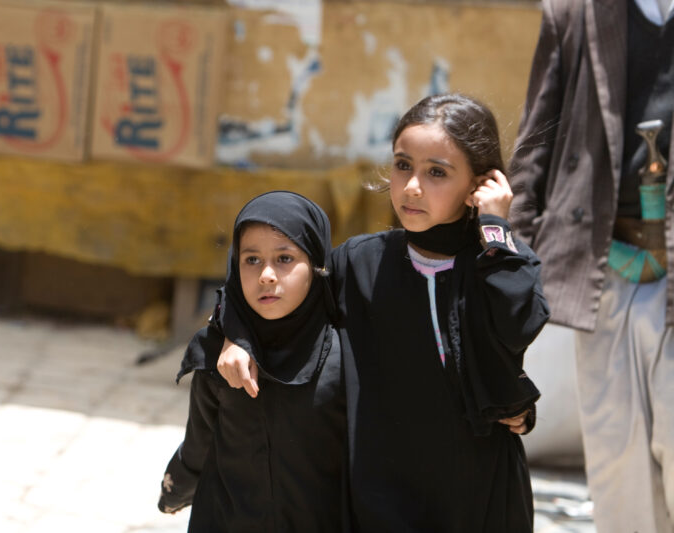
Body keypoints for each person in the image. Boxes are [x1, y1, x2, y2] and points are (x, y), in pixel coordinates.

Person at [217, 93, 550, 532]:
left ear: (478, 185)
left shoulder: (497, 261)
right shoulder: (359, 263)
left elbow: (519, 321)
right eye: (402, 165)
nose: (412, 187)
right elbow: (275, 296)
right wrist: (235, 335)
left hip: (476, 489)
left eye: (436, 173)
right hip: (381, 493)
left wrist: (496, 230)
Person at [508, 1, 674, 531]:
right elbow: (536, 142)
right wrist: (512, 256)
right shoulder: (575, 14)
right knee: (616, 456)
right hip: (604, 263)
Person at [157, 191, 346, 532]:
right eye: (252, 260)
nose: (267, 275)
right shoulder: (220, 355)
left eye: (285, 259)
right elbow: (201, 436)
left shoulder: (341, 356)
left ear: (317, 265)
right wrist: (176, 489)